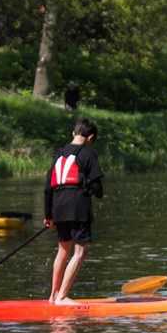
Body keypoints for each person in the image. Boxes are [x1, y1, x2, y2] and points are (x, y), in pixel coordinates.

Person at [44, 118, 104, 304]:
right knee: (80, 252)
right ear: (90, 137)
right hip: (78, 207)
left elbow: (48, 187)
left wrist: (48, 215)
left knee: (63, 250)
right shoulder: (88, 153)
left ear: (73, 133)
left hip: (58, 206)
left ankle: (53, 295)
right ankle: (62, 296)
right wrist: (93, 189)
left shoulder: (58, 154)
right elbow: (97, 188)